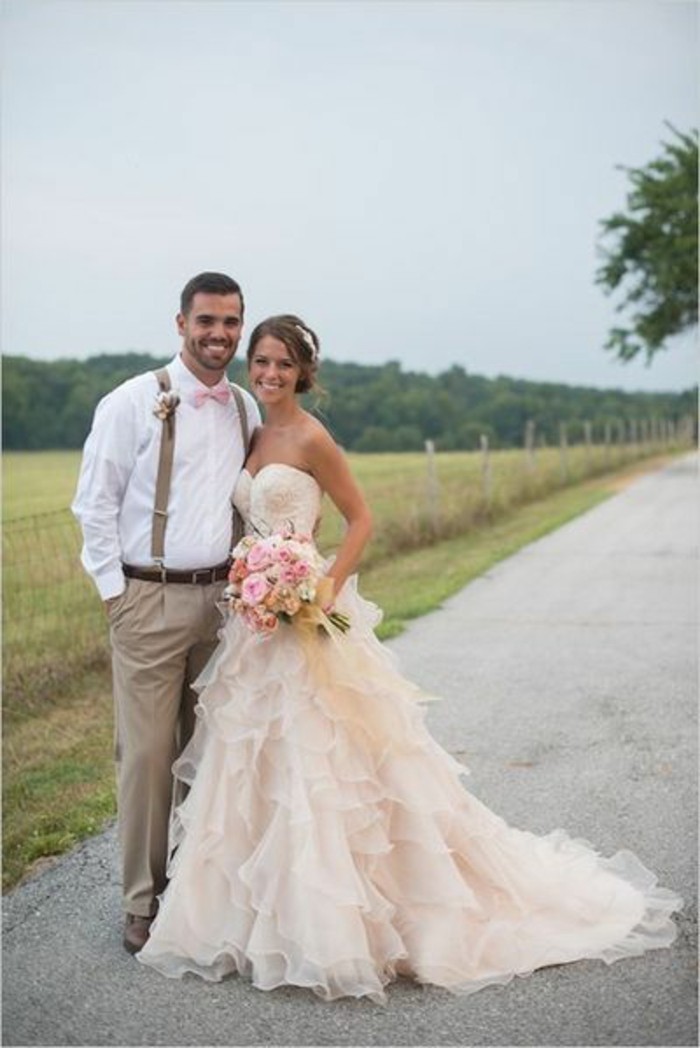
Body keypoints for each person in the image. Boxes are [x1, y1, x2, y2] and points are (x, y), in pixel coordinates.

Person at [136, 314, 681, 1002]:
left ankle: (339, 925)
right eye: (261, 362)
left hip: (305, 618)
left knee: (325, 768)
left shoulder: (310, 436)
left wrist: (317, 588)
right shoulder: (251, 429)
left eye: (282, 364)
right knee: (253, 764)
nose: (269, 374)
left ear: (303, 372)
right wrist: (256, 583)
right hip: (255, 626)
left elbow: (360, 518)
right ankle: (247, 921)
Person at [72, 272, 261, 954]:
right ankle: (141, 902)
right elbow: (93, 502)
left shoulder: (245, 408)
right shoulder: (131, 401)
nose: (219, 334)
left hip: (225, 605)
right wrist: (114, 595)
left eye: (231, 322)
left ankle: (197, 888)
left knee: (210, 752)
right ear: (180, 323)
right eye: (207, 320)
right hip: (146, 598)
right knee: (149, 756)